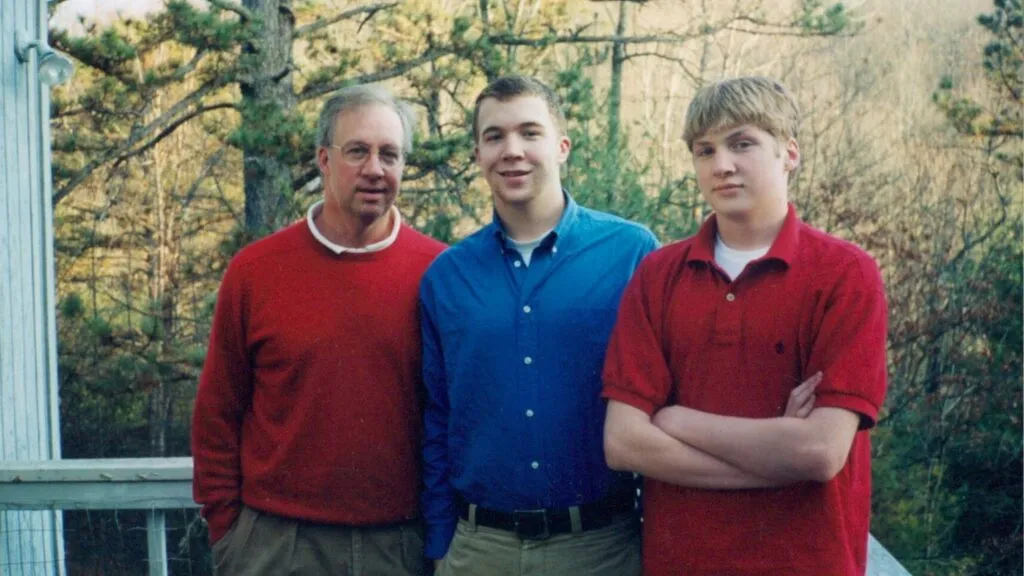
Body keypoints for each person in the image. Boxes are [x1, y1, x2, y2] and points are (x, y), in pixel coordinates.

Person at [601, 75, 889, 576]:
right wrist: (776, 452)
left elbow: (821, 453)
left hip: (807, 562)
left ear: (789, 154)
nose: (722, 165)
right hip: (682, 563)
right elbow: (624, 442)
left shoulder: (845, 274)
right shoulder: (658, 275)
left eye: (742, 144)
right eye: (705, 150)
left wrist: (676, 420)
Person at [191, 84, 446, 575]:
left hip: (400, 546)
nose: (375, 168)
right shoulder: (256, 271)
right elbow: (218, 412)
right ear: (324, 159)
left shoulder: (439, 272)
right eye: (357, 151)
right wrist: (229, 533)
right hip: (278, 544)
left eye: (389, 154)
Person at [418, 74, 659, 576]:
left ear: (562, 146)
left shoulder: (632, 253)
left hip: (602, 549)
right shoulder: (447, 277)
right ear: (478, 155)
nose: (512, 150)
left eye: (530, 132)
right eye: (494, 136)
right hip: (479, 552)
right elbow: (436, 417)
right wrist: (443, 543)